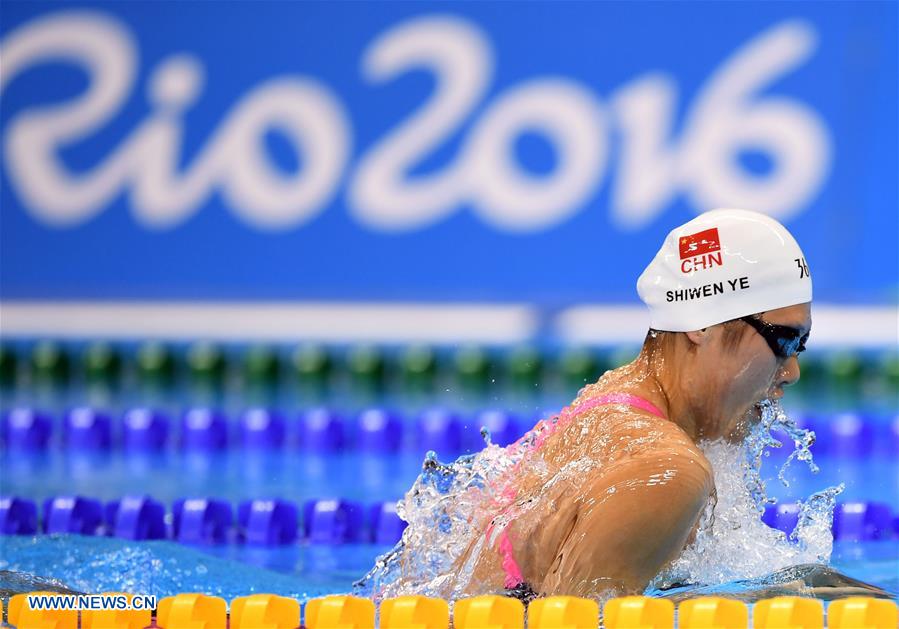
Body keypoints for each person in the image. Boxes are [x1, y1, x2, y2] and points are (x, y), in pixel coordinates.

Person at [358, 208, 837, 601]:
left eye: (802, 346)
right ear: (702, 324)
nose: (790, 371)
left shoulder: (615, 404)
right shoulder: (669, 472)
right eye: (783, 341)